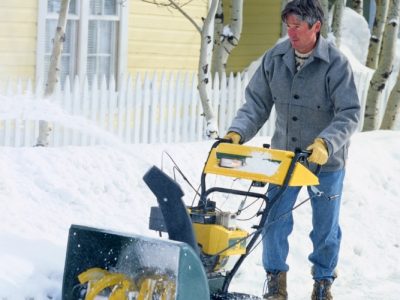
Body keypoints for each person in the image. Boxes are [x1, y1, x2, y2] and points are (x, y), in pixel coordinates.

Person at [223, 0, 360, 299]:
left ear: (316, 27)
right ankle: (276, 283)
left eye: (298, 25)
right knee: (274, 220)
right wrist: (237, 133)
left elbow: (349, 113)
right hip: (284, 158)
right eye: (289, 25)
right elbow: (256, 104)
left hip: (325, 162)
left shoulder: (336, 64)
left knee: (325, 228)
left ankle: (323, 283)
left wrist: (326, 142)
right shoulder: (275, 58)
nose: (292, 31)